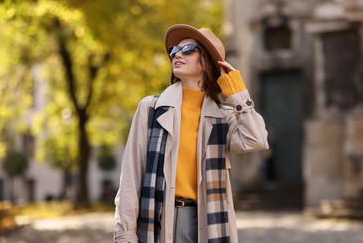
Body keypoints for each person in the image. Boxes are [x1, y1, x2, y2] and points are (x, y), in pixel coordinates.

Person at [114, 24, 269, 243]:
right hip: (157, 219)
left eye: (187, 50)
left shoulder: (223, 116)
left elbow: (256, 139)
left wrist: (237, 93)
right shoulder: (151, 109)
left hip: (210, 221)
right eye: (174, 50)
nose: (177, 54)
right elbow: (131, 176)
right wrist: (125, 233)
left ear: (207, 61)